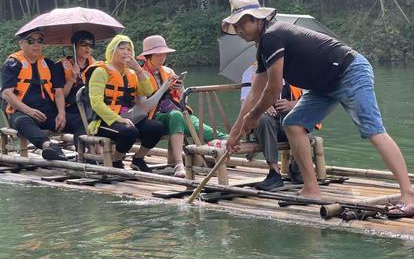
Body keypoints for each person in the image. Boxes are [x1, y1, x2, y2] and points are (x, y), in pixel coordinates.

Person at [223, 0, 414, 215]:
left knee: (373, 130)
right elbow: (254, 93)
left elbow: (272, 88)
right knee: (293, 123)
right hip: (323, 86)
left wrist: (253, 116)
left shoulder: (273, 35)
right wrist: (234, 134)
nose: (240, 29)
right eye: (236, 25)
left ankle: (410, 196)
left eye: (244, 22)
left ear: (259, 20)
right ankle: (311, 189)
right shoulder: (263, 49)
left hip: (349, 72)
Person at [137, 35, 226, 178]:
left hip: (175, 110)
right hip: (155, 116)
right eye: (158, 55)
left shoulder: (168, 71)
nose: (162, 58)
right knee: (177, 116)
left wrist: (180, 87)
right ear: (148, 56)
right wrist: (164, 88)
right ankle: (179, 163)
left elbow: (181, 96)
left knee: (205, 131)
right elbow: (143, 105)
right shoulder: (140, 75)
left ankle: (232, 144)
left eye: (164, 54)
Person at [85, 34, 167, 172]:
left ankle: (138, 159)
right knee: (129, 131)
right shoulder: (101, 71)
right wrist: (119, 119)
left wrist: (139, 70)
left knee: (157, 127)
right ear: (112, 51)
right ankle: (116, 160)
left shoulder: (131, 73)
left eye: (129, 49)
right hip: (104, 121)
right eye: (121, 48)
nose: (126, 52)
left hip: (129, 117)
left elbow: (147, 91)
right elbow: (96, 102)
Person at [0, 30, 84, 160]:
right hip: (23, 113)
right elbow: (6, 93)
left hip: (49, 113)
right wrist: (29, 111)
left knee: (80, 120)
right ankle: (49, 147)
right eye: (31, 41)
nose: (36, 44)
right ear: (21, 44)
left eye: (39, 41)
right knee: (21, 121)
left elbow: (58, 91)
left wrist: (61, 113)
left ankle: (83, 154)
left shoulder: (50, 65)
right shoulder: (12, 64)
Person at [241, 62, 304, 190]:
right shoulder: (251, 72)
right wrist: (261, 105)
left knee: (299, 122)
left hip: (289, 121)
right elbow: (244, 104)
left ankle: (298, 168)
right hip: (265, 125)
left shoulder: (297, 70)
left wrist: (292, 104)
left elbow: (312, 99)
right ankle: (274, 173)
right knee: (264, 120)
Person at [56, 30, 96, 118]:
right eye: (84, 44)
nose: (88, 48)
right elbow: (61, 96)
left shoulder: (95, 66)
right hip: (72, 108)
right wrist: (72, 79)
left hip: (92, 105)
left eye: (91, 45)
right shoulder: (60, 66)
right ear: (74, 45)